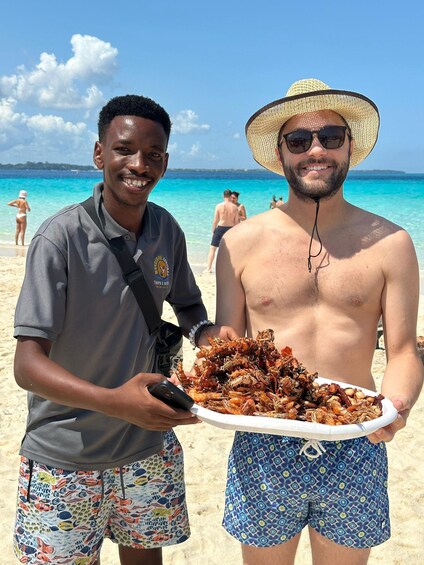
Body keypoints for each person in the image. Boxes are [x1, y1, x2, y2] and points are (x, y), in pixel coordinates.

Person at [12, 94, 235, 565]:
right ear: (99, 154)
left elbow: (190, 306)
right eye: (124, 150)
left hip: (147, 443)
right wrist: (115, 401)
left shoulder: (166, 229)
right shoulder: (60, 238)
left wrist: (209, 337)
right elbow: (27, 366)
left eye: (153, 155)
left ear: (166, 162)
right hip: (65, 453)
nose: (139, 165)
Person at [215, 79, 423, 564]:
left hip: (356, 434)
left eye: (331, 137)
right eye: (299, 139)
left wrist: (398, 404)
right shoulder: (239, 244)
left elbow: (404, 350)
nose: (316, 150)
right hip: (265, 437)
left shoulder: (392, 244)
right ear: (280, 151)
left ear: (350, 146)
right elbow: (229, 341)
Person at [205, 188, 239, 273]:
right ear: (231, 196)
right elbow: (236, 222)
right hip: (230, 228)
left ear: (223, 196)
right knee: (231, 249)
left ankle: (208, 268)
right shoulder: (235, 207)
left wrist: (213, 230)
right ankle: (231, 268)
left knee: (213, 248)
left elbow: (215, 220)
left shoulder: (219, 206)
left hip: (220, 227)